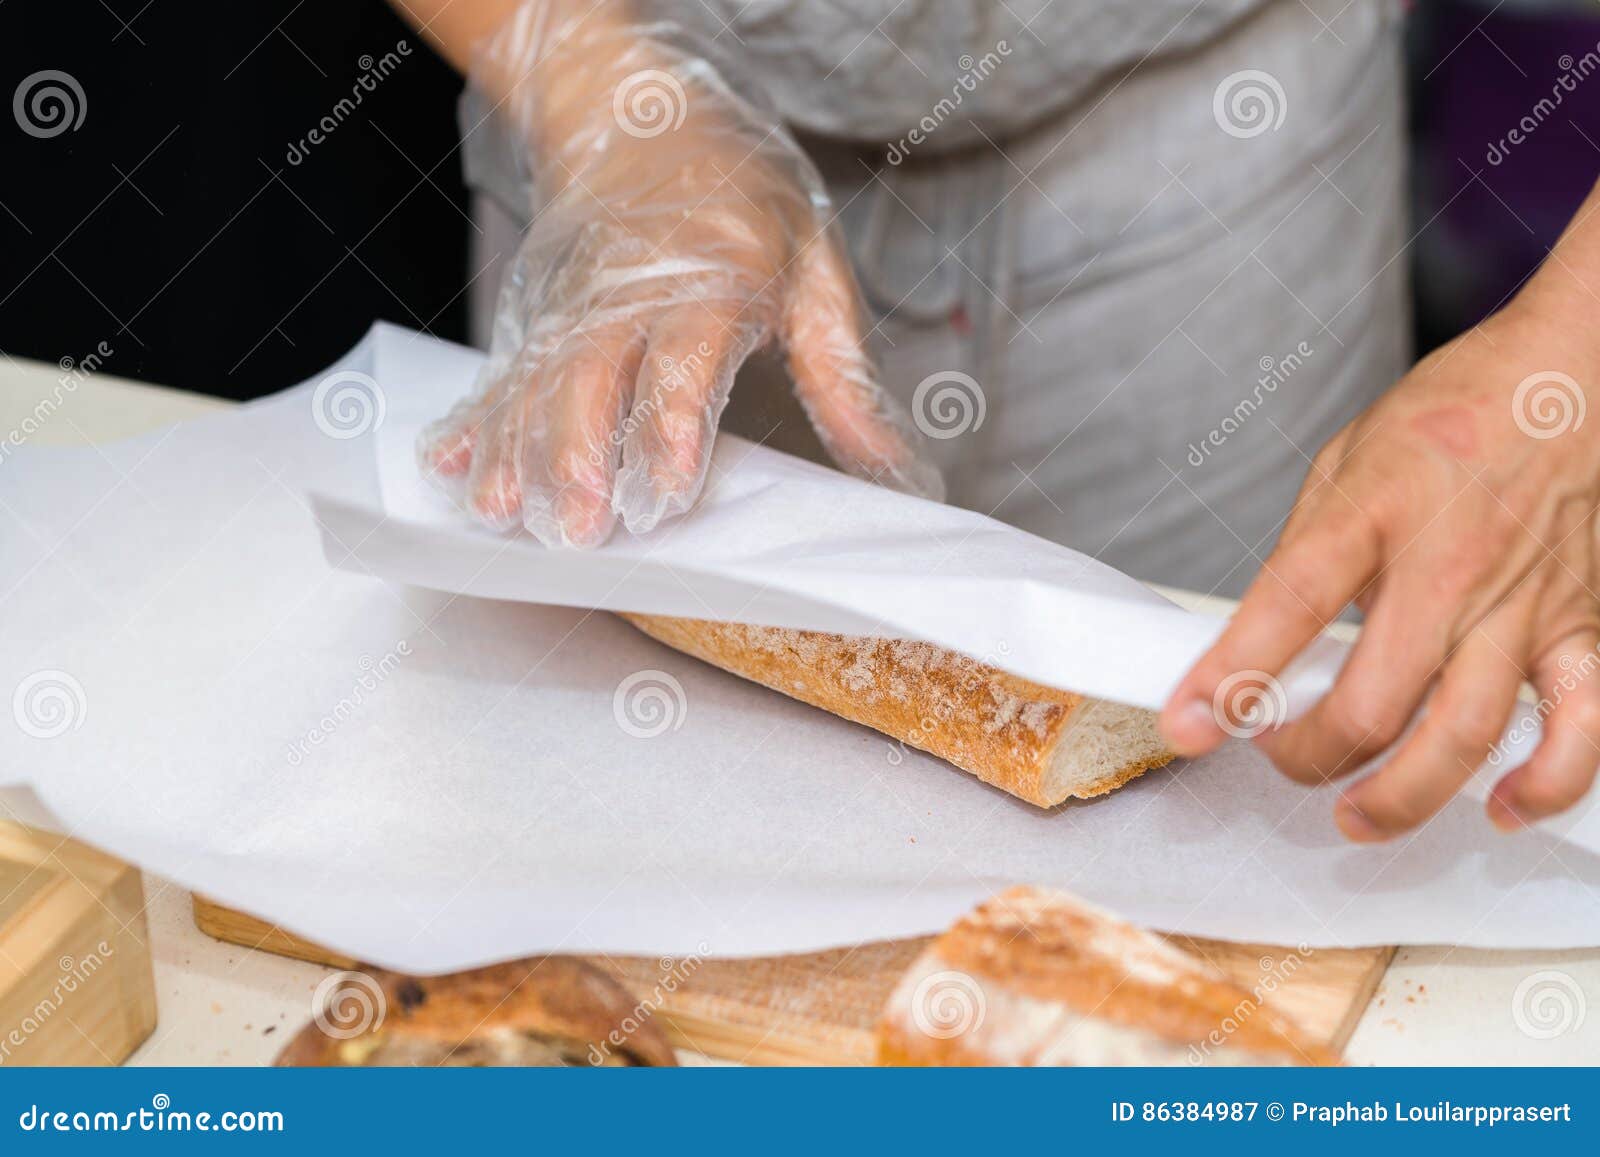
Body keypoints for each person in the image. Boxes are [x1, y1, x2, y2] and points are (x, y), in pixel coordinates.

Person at [393, 0, 1600, 843]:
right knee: (594, 815)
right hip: (628, 121)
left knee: (1242, 814)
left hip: (1213, 110)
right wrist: (593, 88)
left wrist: (1574, 355)